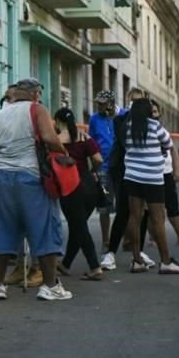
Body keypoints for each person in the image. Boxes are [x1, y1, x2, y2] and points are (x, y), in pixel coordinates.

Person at [0, 78, 72, 301]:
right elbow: (50, 138)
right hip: (30, 176)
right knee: (43, 228)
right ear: (34, 93)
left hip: (1, 178)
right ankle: (50, 285)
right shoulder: (37, 109)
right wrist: (64, 153)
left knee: (1, 230)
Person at [120, 99, 179, 274]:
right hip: (153, 178)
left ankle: (136, 260)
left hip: (132, 176)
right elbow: (168, 145)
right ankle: (165, 261)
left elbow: (125, 146)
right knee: (158, 219)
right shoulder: (155, 126)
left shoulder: (125, 127)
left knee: (135, 217)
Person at [100, 88, 153, 271]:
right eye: (133, 101)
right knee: (123, 211)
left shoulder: (150, 123)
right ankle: (111, 252)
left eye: (140, 101)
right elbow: (124, 140)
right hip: (124, 171)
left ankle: (138, 252)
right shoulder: (121, 120)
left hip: (144, 173)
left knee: (143, 213)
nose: (136, 105)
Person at [52, 108, 104, 280]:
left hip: (70, 187)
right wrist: (91, 171)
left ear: (58, 122)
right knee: (78, 225)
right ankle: (66, 264)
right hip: (89, 186)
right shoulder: (84, 137)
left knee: (79, 227)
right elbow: (98, 159)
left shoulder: (56, 141)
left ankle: (95, 267)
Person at [140, 100, 179, 247]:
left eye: (155, 112)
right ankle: (153, 238)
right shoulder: (140, 130)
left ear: (160, 113)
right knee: (152, 208)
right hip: (151, 174)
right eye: (150, 112)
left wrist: (177, 169)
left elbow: (172, 149)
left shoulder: (162, 130)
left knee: (172, 205)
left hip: (166, 173)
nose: (153, 115)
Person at [87, 90, 119, 251]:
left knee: (124, 205)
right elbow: (91, 140)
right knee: (104, 206)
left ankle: (125, 238)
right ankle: (106, 241)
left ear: (111, 104)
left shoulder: (121, 116)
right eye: (98, 103)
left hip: (120, 166)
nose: (99, 106)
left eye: (102, 103)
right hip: (103, 167)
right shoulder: (94, 119)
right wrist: (92, 167)